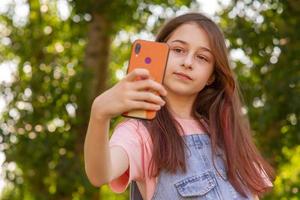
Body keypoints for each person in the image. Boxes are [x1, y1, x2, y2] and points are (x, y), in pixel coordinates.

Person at [84, 12, 275, 200]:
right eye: (178, 50)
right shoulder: (140, 134)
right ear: (159, 55)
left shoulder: (227, 133)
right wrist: (99, 113)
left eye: (202, 57)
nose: (188, 62)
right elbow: (100, 174)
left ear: (211, 76)